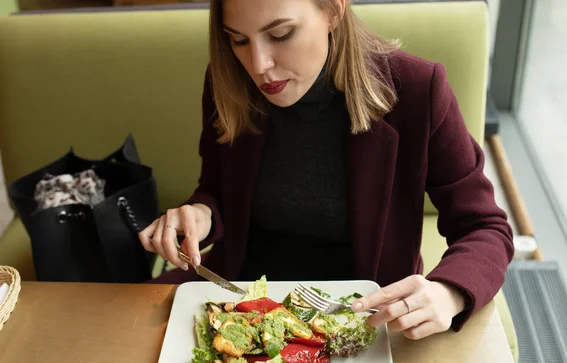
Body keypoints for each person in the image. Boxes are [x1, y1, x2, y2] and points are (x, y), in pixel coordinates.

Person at [139, 0, 514, 340]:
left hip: (362, 315)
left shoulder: (418, 91)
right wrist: (201, 215)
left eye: (281, 34)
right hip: (238, 295)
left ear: (334, 10)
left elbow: (484, 226)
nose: (258, 65)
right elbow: (218, 190)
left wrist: (448, 292)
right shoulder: (229, 81)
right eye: (238, 40)